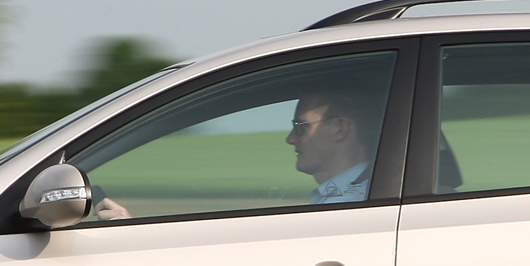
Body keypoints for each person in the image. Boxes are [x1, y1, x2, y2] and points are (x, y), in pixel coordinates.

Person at [93, 86, 381, 220]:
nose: (290, 138)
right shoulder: (351, 199)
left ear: (341, 128)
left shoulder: (353, 205)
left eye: (301, 126)